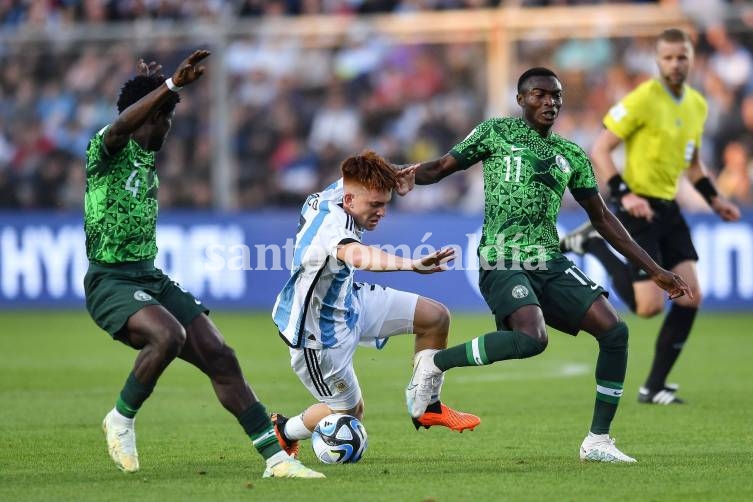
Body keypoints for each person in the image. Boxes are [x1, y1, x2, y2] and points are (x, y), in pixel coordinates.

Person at [400, 67, 692, 463]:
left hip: (548, 259)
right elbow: (441, 167)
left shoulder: (571, 154)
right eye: (539, 94)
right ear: (521, 100)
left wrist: (655, 269)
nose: (549, 102)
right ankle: (434, 363)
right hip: (501, 254)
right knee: (532, 339)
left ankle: (598, 442)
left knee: (614, 331)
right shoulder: (495, 132)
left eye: (556, 96)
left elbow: (603, 218)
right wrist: (402, 176)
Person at [83, 50, 323, 479]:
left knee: (219, 354)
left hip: (148, 275)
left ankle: (276, 460)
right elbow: (121, 125)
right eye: (164, 119)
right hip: (110, 280)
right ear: (147, 120)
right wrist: (168, 87)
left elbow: (135, 116)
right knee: (168, 335)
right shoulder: (106, 152)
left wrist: (154, 89)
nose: (168, 128)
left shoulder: (145, 157)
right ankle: (120, 418)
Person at [560, 29, 741, 405]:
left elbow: (691, 163)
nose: (675, 63)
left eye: (682, 57)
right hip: (634, 207)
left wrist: (714, 199)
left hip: (668, 208)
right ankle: (595, 243)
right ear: (658, 61)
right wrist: (625, 192)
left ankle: (654, 385)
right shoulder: (642, 99)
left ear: (692, 59)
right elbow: (601, 149)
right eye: (668, 58)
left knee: (690, 296)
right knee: (647, 308)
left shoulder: (696, 104)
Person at [270, 151, 480, 458]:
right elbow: (359, 256)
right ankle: (285, 430)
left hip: (349, 299)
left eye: (385, 204)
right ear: (350, 201)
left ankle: (427, 405)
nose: (382, 212)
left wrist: (397, 178)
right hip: (318, 333)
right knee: (350, 414)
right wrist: (412, 265)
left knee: (434, 318)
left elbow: (367, 171)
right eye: (376, 205)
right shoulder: (332, 223)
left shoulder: (342, 190)